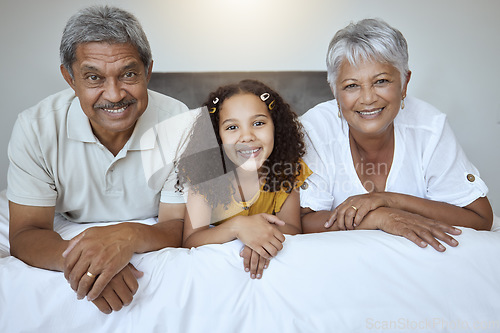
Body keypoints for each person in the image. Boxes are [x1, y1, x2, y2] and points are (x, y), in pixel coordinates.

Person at [7, 6, 194, 314]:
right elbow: (25, 233)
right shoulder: (35, 127)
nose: (115, 94)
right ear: (69, 78)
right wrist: (92, 262)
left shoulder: (182, 121)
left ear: (148, 71)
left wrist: (128, 235)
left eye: (129, 74)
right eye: (93, 77)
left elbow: (182, 226)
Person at [300, 18, 493, 251]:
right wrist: (380, 217)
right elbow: (301, 222)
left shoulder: (429, 127)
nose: (368, 98)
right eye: (352, 85)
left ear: (404, 83)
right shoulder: (313, 130)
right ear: (334, 90)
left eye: (381, 81)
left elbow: (480, 218)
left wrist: (389, 200)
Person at [176, 79, 310, 279]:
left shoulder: (288, 169)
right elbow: (191, 239)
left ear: (276, 127)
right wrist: (238, 227)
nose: (246, 136)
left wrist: (259, 239)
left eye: (258, 123)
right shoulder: (206, 175)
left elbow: (292, 228)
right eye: (232, 127)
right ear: (216, 136)